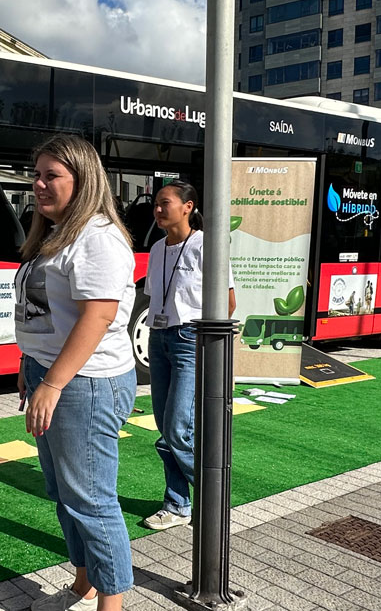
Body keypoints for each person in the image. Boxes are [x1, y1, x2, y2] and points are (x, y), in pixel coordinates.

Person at [15, 135, 136, 611]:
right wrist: (33, 366)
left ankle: (112, 605)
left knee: (91, 501)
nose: (39, 184)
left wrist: (52, 382)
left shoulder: (97, 236)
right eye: (37, 173)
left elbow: (98, 317)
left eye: (52, 175)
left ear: (82, 180)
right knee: (65, 495)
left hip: (85, 385)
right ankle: (84, 586)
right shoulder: (55, 232)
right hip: (55, 375)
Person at [141, 182, 235, 532]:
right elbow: (155, 297)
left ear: (187, 206)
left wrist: (210, 343)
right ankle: (177, 504)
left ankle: (213, 494)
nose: (158, 209)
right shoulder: (155, 249)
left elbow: (227, 301)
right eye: (156, 204)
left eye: (165, 203)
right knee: (165, 427)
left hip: (188, 338)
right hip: (159, 338)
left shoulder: (205, 245)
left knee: (179, 427)